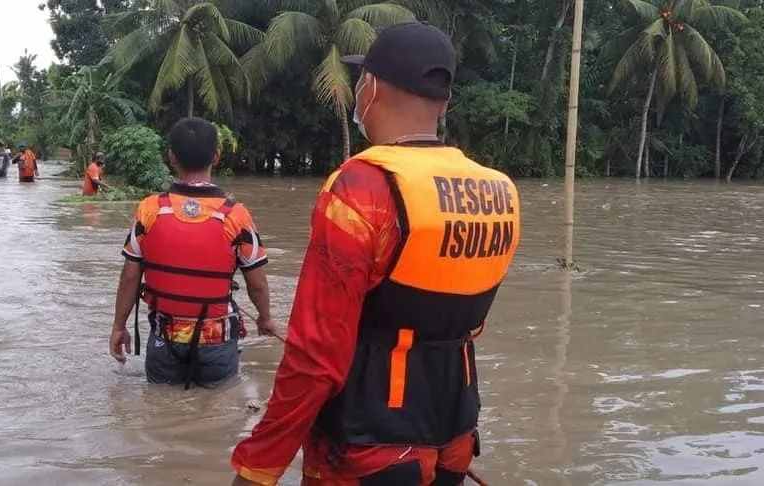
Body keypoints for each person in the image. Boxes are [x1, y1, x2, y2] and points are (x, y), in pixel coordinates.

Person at [230, 23, 521, 486]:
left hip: (369, 449)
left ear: (374, 86)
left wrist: (258, 468)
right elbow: (465, 322)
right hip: (455, 438)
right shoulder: (499, 190)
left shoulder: (361, 188)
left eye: (361, 79)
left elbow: (314, 359)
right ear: (444, 100)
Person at [109, 117, 276, 388]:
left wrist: (118, 326)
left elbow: (129, 277)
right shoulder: (236, 215)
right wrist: (265, 317)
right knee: (219, 419)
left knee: (160, 416)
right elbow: (257, 283)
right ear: (217, 156)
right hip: (217, 343)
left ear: (171, 157)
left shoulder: (149, 210)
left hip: (164, 341)